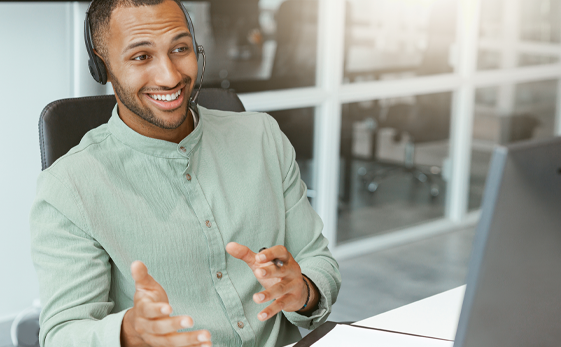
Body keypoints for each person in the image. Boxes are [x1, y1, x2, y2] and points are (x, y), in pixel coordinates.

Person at [29, 1, 341, 346]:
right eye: (141, 57)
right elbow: (62, 334)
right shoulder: (69, 186)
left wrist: (303, 291)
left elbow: (316, 259)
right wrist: (128, 334)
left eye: (180, 49)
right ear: (102, 68)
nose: (171, 76)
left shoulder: (263, 136)